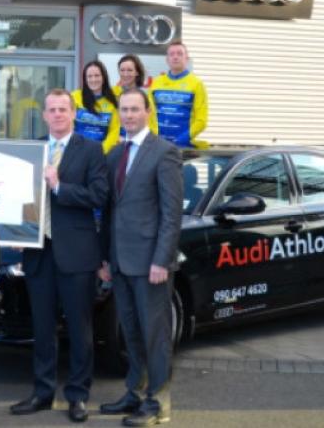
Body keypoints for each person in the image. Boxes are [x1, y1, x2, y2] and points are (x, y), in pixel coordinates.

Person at [10, 89, 108, 424]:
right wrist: (17, 233)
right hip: (39, 253)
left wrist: (58, 186)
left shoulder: (91, 150)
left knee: (80, 329)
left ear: (73, 113)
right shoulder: (34, 149)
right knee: (42, 327)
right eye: (51, 110)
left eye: (62, 109)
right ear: (45, 114)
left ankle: (78, 396)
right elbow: (20, 198)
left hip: (76, 253)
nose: (56, 115)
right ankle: (42, 392)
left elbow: (98, 196)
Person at [99, 88, 183, 427]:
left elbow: (171, 212)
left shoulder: (165, 152)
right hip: (120, 262)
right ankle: (135, 392)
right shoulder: (115, 154)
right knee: (131, 332)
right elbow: (108, 212)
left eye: (135, 109)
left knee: (155, 335)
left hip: (151, 265)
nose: (129, 115)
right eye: (124, 109)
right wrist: (106, 259)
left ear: (147, 112)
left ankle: (158, 403)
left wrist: (162, 260)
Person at [149, 42, 209, 148]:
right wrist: (153, 137)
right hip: (157, 145)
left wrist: (181, 139)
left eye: (179, 54)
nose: (175, 57)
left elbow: (202, 120)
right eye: (171, 54)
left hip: (184, 146)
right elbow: (148, 115)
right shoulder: (156, 83)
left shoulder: (196, 84)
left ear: (186, 58)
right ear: (167, 59)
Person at [71, 60, 120, 153]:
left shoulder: (113, 102)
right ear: (85, 79)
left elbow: (114, 132)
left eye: (97, 75)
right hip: (77, 151)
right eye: (89, 76)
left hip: (102, 154)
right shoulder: (75, 97)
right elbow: (68, 125)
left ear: (104, 77)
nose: (93, 79)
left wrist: (100, 151)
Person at [113, 54, 156, 138]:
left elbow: (153, 128)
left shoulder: (145, 98)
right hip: (114, 145)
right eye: (122, 70)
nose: (125, 74)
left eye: (129, 70)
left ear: (137, 72)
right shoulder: (111, 93)